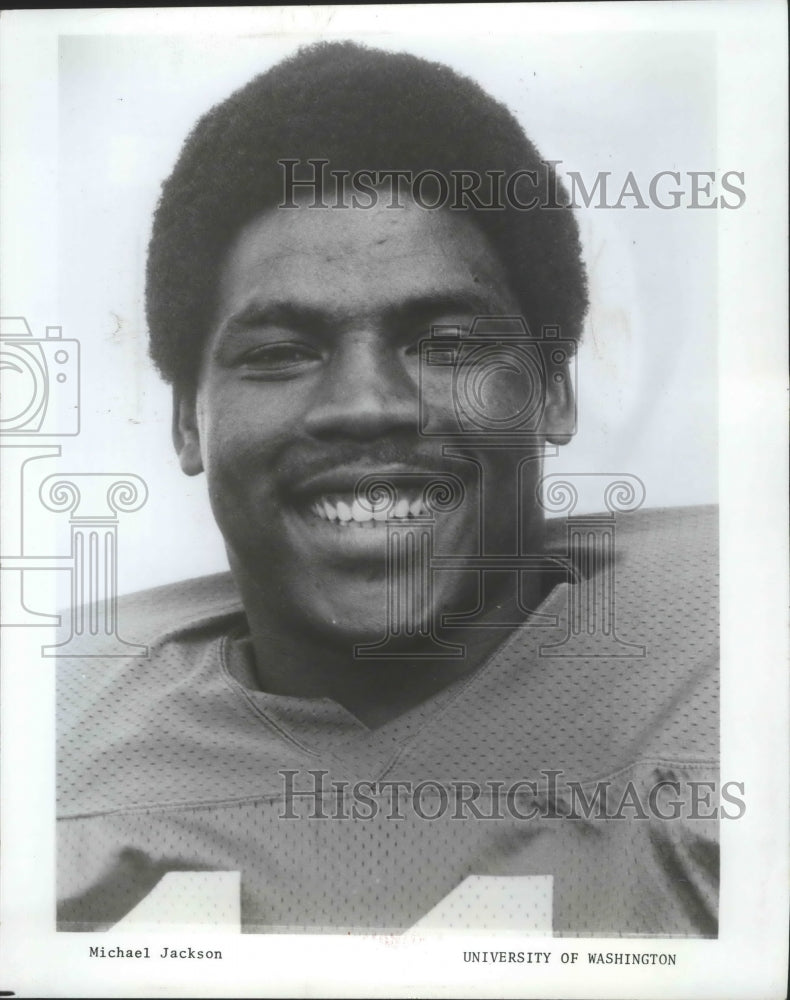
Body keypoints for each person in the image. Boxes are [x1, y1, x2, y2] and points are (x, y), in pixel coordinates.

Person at [57, 40, 719, 935]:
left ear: (554, 390)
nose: (366, 406)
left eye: (446, 345)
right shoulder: (55, 761)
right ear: (187, 422)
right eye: (280, 354)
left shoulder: (735, 681)